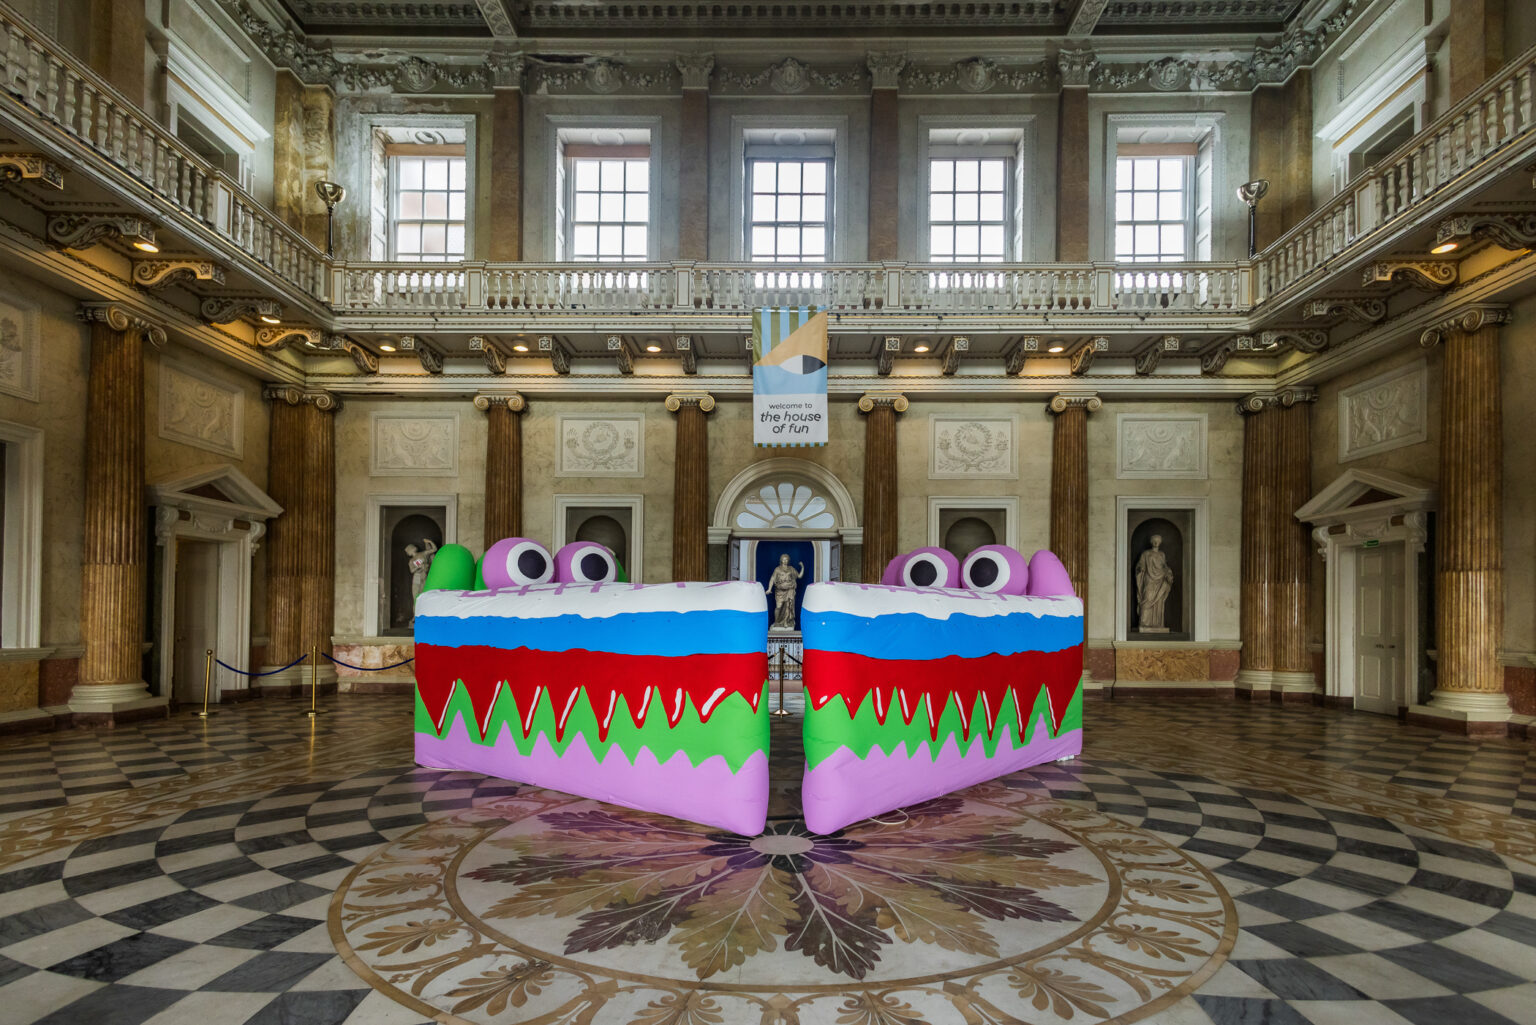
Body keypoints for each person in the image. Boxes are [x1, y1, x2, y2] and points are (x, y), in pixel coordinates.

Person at [1135, 534, 1173, 632]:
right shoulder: (1146, 554)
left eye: (1158, 541)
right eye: (1154, 540)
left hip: (1160, 581)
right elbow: (1140, 564)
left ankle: (1157, 624)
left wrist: (1168, 573)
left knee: (1159, 602)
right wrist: (1140, 568)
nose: (1156, 542)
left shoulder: (1162, 554)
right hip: (1149, 580)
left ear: (1160, 542)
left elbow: (1164, 566)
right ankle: (1144, 623)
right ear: (1151, 542)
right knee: (1147, 598)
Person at [766, 553, 805, 631]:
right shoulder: (777, 569)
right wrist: (769, 589)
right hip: (780, 591)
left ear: (788, 560)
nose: (785, 561)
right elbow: (772, 579)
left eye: (786, 559)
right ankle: (777, 622)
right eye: (783, 559)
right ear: (781, 560)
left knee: (788, 607)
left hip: (790, 591)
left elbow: (799, 576)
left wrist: (802, 567)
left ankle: (786, 621)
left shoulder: (791, 569)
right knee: (778, 607)